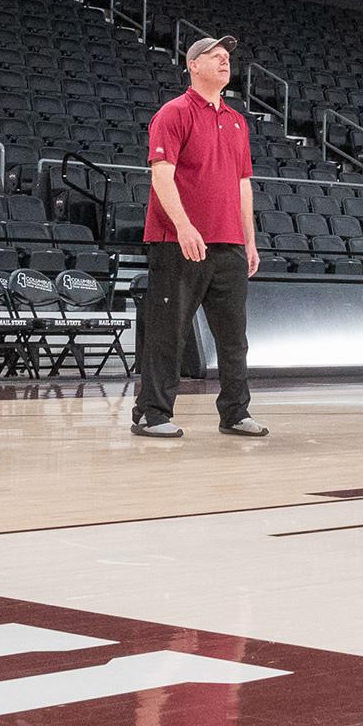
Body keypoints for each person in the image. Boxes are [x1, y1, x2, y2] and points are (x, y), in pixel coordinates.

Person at [132, 35, 267, 440]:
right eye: (215, 56)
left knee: (233, 338)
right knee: (167, 332)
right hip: (178, 243)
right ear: (192, 65)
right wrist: (185, 226)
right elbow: (161, 175)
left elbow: (244, 184)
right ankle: (151, 413)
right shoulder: (173, 113)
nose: (225, 61)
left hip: (228, 245)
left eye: (227, 57)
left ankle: (235, 412)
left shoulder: (237, 120)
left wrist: (250, 240)